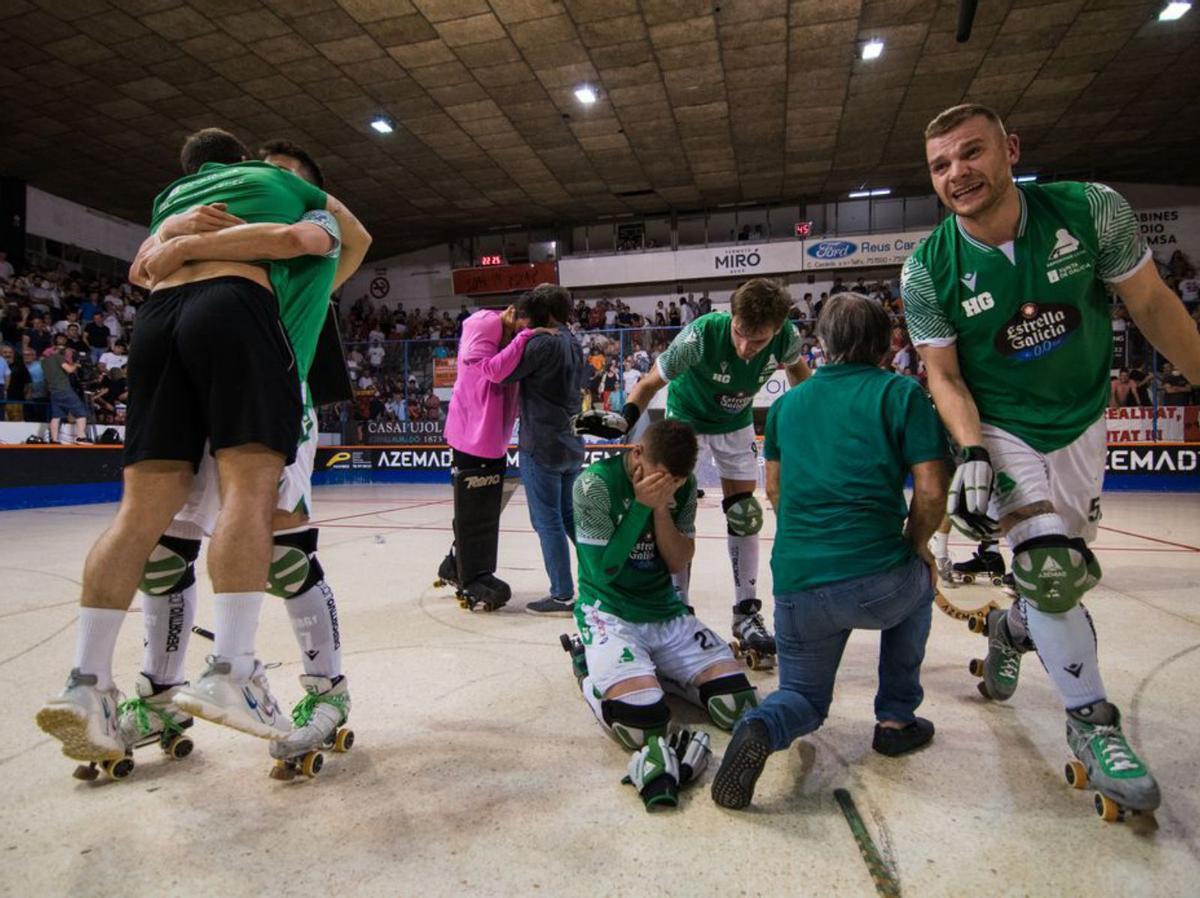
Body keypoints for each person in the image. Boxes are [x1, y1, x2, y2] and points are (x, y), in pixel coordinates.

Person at [902, 103, 1200, 817]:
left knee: (1063, 573)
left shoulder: (1092, 210)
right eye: (941, 165)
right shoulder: (927, 270)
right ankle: (1092, 724)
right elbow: (943, 376)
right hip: (1001, 427)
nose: (956, 173)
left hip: (1082, 419)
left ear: (1011, 149)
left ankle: (1012, 628)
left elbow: (1151, 304)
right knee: (1050, 567)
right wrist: (974, 447)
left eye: (971, 153)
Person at [36, 128, 366, 766]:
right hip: (205, 366)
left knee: (284, 553)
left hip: (276, 386)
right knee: (164, 554)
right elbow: (147, 269)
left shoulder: (313, 226)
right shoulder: (225, 220)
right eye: (263, 169)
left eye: (283, 173)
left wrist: (182, 239)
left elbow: (344, 237)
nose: (265, 178)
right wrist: (178, 231)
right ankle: (159, 694)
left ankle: (327, 691)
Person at [711, 295, 947, 809]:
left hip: (798, 583)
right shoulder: (902, 394)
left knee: (804, 698)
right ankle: (896, 718)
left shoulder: (787, 406)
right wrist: (918, 547)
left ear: (821, 342)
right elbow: (931, 492)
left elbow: (775, 491)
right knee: (921, 582)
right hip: (879, 580)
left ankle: (761, 725)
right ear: (886, 344)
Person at [584, 278, 811, 664]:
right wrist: (624, 419)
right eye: (739, 333)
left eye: (757, 341)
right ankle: (677, 604)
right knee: (672, 509)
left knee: (744, 514)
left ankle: (746, 612)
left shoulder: (787, 338)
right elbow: (650, 382)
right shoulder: (701, 336)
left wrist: (813, 417)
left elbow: (800, 376)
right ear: (731, 317)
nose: (745, 347)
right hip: (686, 419)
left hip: (736, 422)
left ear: (776, 329)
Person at [563, 420, 755, 809]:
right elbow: (604, 571)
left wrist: (661, 511)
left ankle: (657, 671)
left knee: (737, 704)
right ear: (637, 455)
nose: (668, 488)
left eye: (676, 483)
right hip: (609, 612)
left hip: (666, 612)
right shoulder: (593, 485)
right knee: (641, 726)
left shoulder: (681, 487)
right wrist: (639, 508)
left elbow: (678, 562)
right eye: (661, 479)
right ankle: (587, 669)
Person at [437, 302, 551, 610]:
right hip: (470, 434)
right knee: (472, 509)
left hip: (491, 436)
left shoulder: (507, 334)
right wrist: (524, 337)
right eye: (521, 328)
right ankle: (467, 573)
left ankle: (456, 564)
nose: (520, 335)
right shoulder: (484, 323)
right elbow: (494, 371)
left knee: (483, 511)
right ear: (512, 313)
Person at [501, 284, 589, 615]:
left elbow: (502, 373)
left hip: (542, 444)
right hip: (571, 442)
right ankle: (602, 582)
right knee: (569, 517)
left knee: (547, 521)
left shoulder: (541, 343)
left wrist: (512, 335)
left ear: (547, 312)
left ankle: (562, 594)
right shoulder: (573, 341)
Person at [43, 346, 90, 444]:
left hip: (53, 392)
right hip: (64, 389)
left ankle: (54, 440)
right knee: (81, 413)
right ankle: (81, 437)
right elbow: (69, 370)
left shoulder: (44, 362)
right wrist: (76, 364)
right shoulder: (57, 357)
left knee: (56, 416)